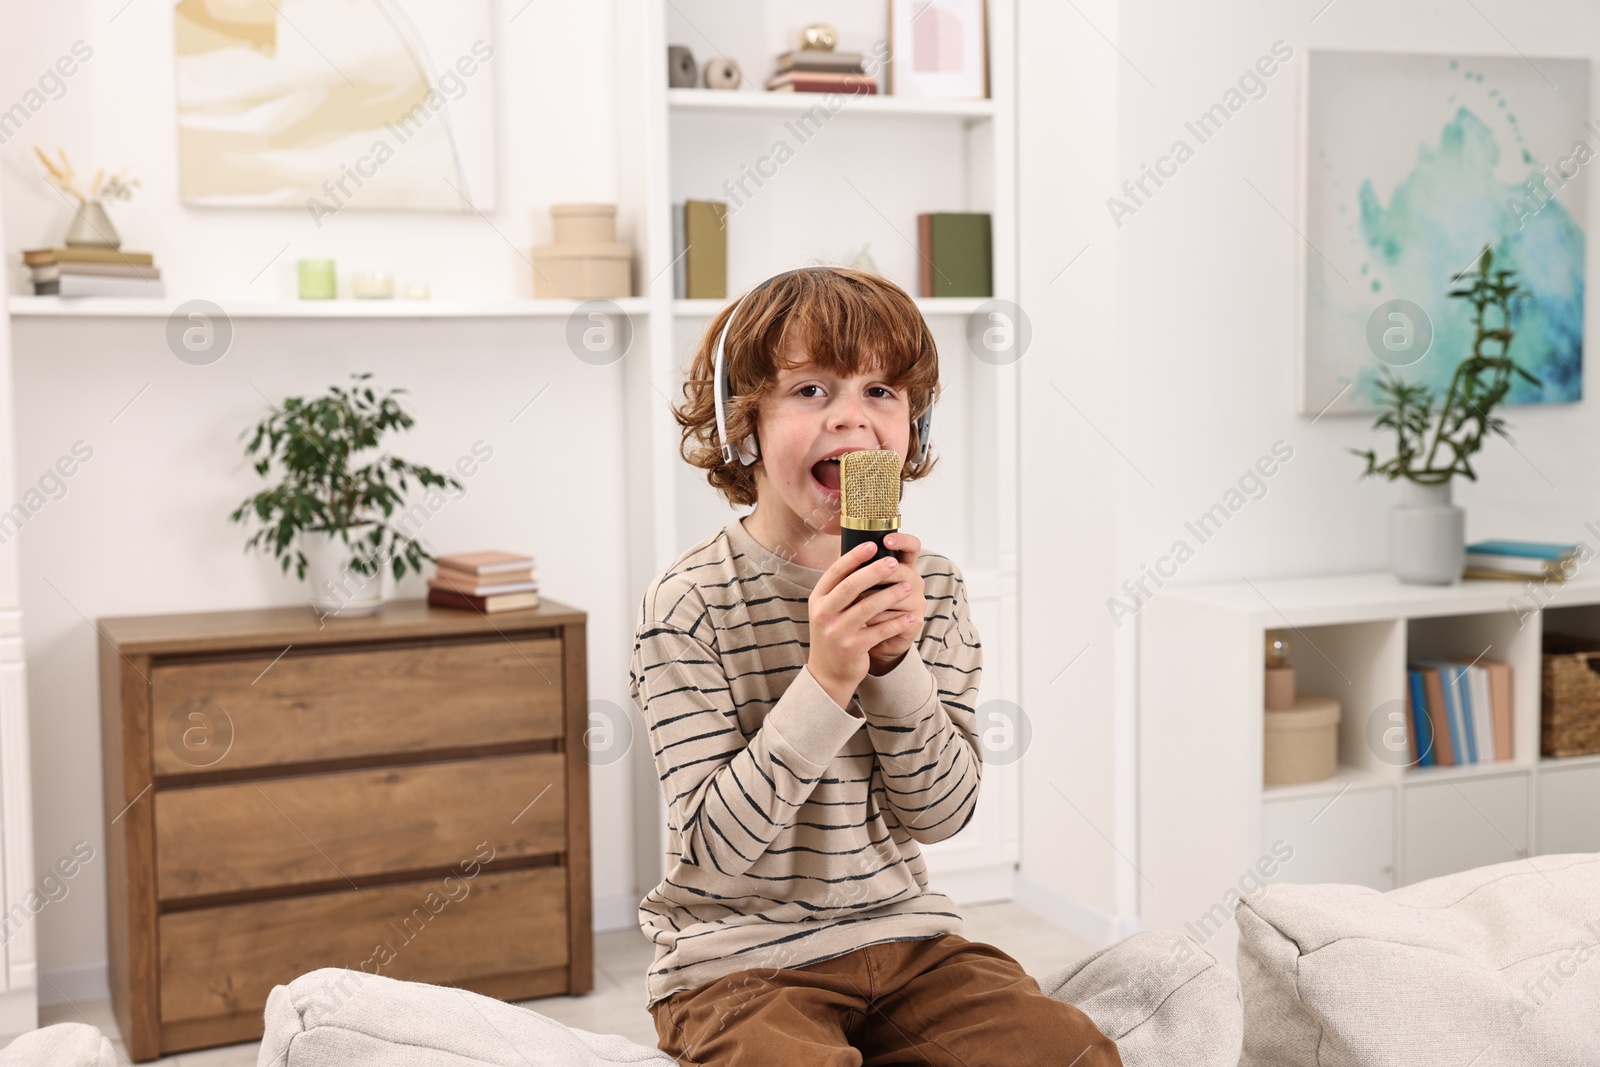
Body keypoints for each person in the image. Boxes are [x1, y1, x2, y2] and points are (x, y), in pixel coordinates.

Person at [628, 266, 1120, 1066]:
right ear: (742, 422)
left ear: (915, 428)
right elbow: (712, 848)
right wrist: (825, 678)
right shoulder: (687, 602)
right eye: (812, 390)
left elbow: (942, 814)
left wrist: (894, 666)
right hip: (735, 961)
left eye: (882, 391)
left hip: (905, 937)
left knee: (1073, 1054)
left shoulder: (938, 592)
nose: (852, 417)